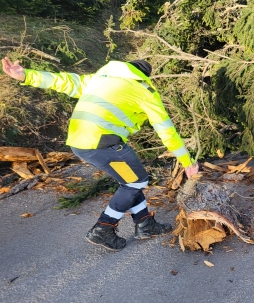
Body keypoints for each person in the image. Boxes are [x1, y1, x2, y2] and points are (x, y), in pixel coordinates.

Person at [1, 57, 199, 251]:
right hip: (102, 142)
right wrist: (186, 162)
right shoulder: (144, 90)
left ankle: (145, 223)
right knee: (135, 182)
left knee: (129, 180)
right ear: (143, 76)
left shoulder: (101, 79)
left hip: (80, 141)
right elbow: (167, 131)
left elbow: (64, 81)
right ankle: (103, 228)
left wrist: (26, 75)